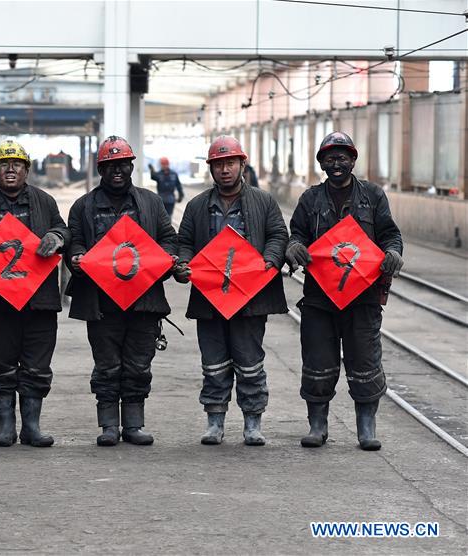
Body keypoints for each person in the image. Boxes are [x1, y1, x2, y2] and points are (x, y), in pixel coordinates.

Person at [286, 131, 403, 451]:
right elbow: (296, 233)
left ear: (353, 160)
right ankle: (317, 424)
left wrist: (393, 253)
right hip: (320, 300)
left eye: (342, 157)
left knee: (365, 363)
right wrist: (294, 247)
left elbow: (390, 235)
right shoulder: (310, 199)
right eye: (329, 158)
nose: (336, 163)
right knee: (318, 363)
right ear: (321, 163)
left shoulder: (373, 196)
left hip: (362, 300)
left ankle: (366, 427)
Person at [66, 136, 183, 446]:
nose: (116, 170)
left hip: (143, 301)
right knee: (107, 365)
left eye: (122, 164)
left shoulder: (150, 202)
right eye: (109, 166)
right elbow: (74, 241)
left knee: (138, 364)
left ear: (131, 166)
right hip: (101, 303)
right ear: (101, 169)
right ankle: (108, 426)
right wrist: (76, 257)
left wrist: (168, 257)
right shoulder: (83, 206)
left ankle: (133, 425)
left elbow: (169, 238)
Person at [175, 136, 288, 446]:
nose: (224, 170)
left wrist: (270, 260)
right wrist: (183, 265)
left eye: (230, 163)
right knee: (213, 362)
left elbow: (279, 234)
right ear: (211, 169)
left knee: (249, 362)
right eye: (218, 165)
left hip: (250, 299)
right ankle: (215, 421)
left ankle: (253, 421)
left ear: (242, 164)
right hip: (209, 299)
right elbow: (184, 242)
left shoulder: (263, 202)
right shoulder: (198, 206)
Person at [0, 140, 68, 447]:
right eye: (3, 164)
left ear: (27, 170)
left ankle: (31, 427)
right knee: (0, 363)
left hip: (39, 301)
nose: (10, 169)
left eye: (17, 164)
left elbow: (64, 229)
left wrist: (57, 236)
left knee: (37, 364)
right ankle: (6, 427)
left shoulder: (44, 201)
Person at [148, 156, 184, 222]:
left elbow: (178, 185)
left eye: (165, 164)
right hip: (161, 200)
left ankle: (167, 230)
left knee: (168, 216)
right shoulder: (159, 174)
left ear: (168, 164)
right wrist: (151, 170)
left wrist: (181, 195)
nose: (164, 166)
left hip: (170, 199)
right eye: (163, 164)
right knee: (160, 217)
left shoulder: (174, 174)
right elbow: (153, 176)